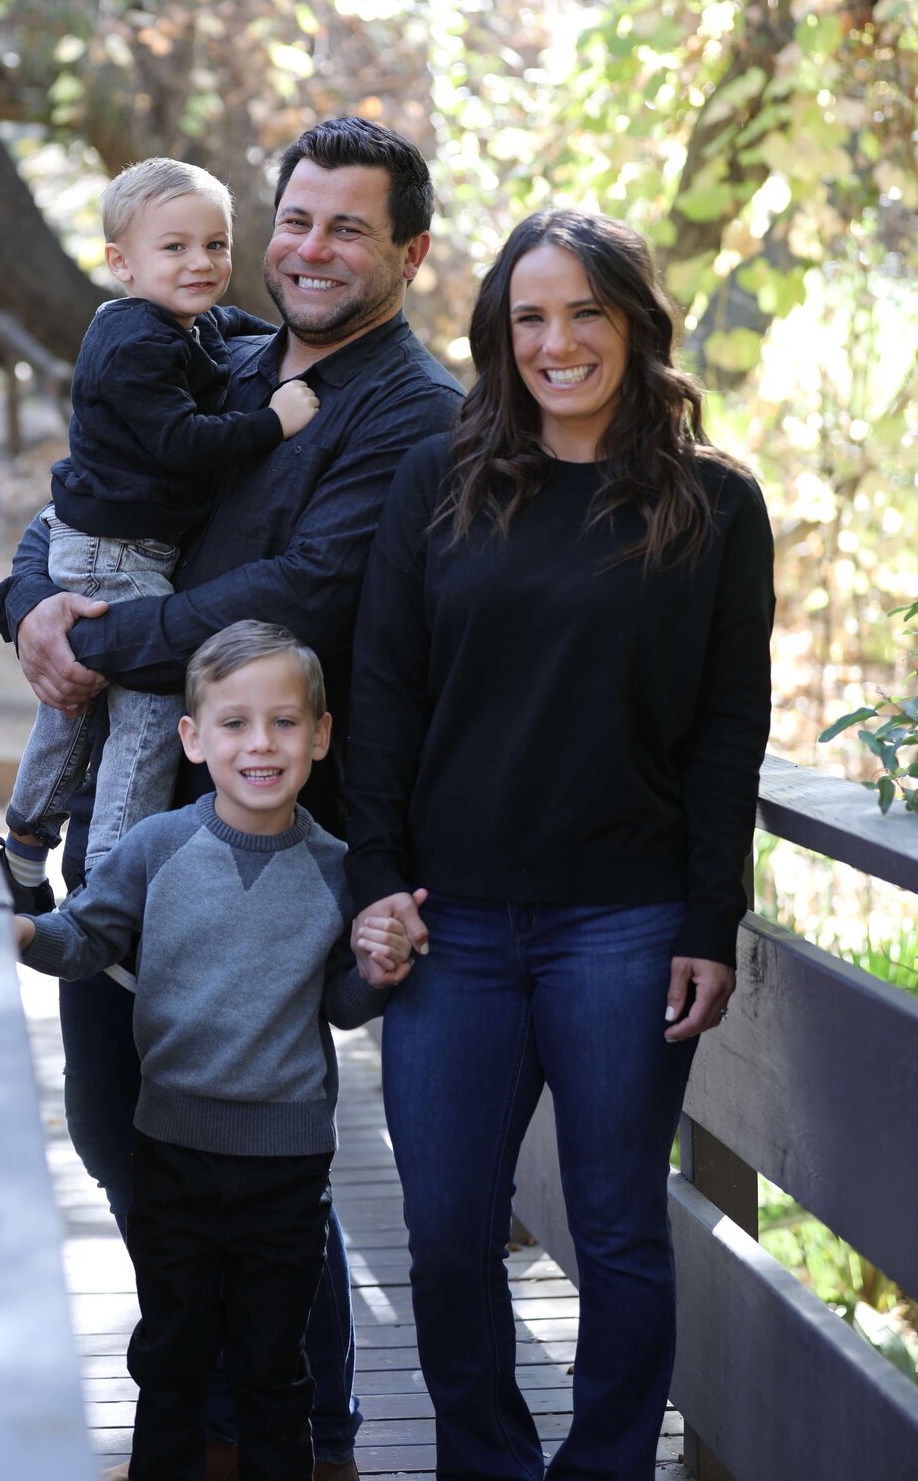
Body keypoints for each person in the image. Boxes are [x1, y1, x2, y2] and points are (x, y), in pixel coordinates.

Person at [0, 117, 464, 1480]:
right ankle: (203, 1408)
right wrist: (33, 606)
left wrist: (93, 642)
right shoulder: (221, 349)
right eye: (297, 219)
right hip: (135, 831)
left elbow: (303, 594)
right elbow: (80, 499)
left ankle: (302, 1434)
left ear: (411, 253)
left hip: (262, 840)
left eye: (349, 227)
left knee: (244, 1157)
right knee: (115, 1121)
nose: (310, 248)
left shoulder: (409, 416)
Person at [344, 208, 775, 1481]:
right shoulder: (442, 480)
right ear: (498, 334)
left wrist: (711, 920)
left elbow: (725, 733)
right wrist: (375, 881)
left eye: (587, 311)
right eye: (531, 316)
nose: (558, 341)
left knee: (621, 1231)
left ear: (637, 325)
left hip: (626, 925)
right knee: (447, 1234)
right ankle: (486, 1462)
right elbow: (383, 691)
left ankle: (605, 1469)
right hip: (451, 922)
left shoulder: (714, 505)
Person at [15, 622, 413, 1481]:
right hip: (172, 1152)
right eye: (233, 723)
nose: (259, 744)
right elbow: (85, 939)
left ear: (320, 735)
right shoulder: (158, 848)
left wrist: (377, 971)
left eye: (283, 723)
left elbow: (341, 1005)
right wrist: (22, 932)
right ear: (192, 740)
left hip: (288, 1165)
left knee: (275, 1369)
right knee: (171, 1358)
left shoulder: (339, 869)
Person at [1, 158, 318, 904]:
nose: (201, 262)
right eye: (174, 248)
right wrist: (275, 421)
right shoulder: (136, 345)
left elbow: (226, 330)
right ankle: (111, 890)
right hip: (116, 557)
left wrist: (277, 336)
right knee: (148, 711)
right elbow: (182, 441)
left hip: (108, 544)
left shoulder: (173, 325)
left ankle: (23, 846)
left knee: (73, 708)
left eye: (215, 245)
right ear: (122, 264)